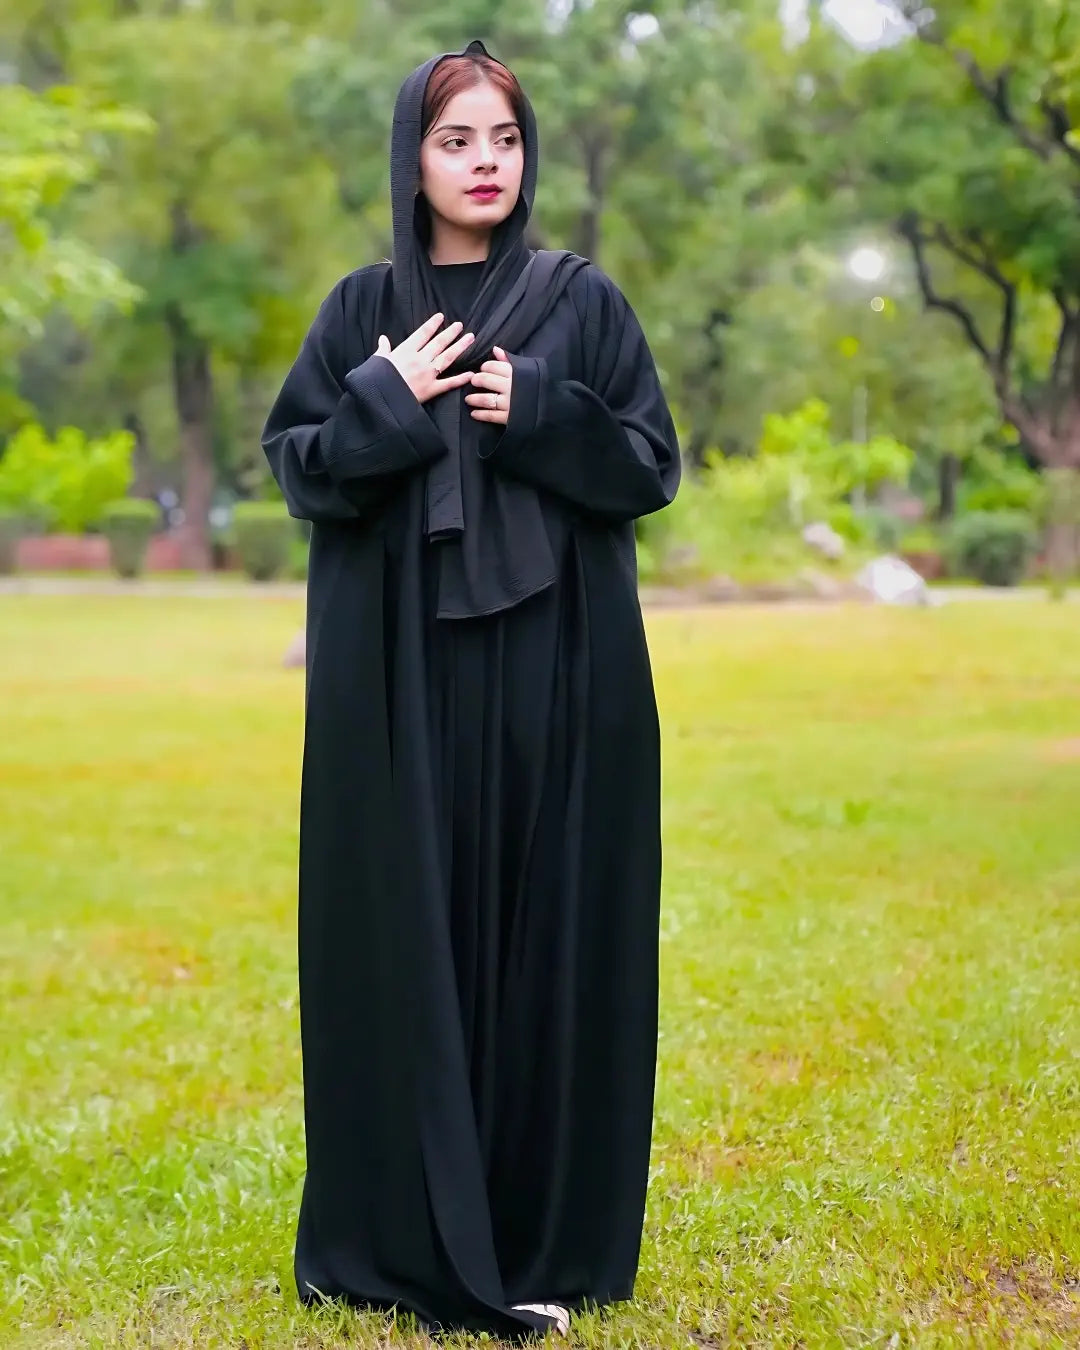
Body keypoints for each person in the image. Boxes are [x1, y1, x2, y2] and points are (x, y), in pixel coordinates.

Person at [261, 38, 680, 1341]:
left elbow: (648, 467)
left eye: (502, 137)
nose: (484, 162)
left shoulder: (580, 304)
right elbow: (306, 469)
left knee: (547, 927)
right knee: (410, 930)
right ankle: (396, 1231)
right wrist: (387, 399)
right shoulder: (360, 311)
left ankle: (543, 1228)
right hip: (403, 690)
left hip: (559, 676)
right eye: (457, 140)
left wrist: (542, 406)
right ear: (414, 158)